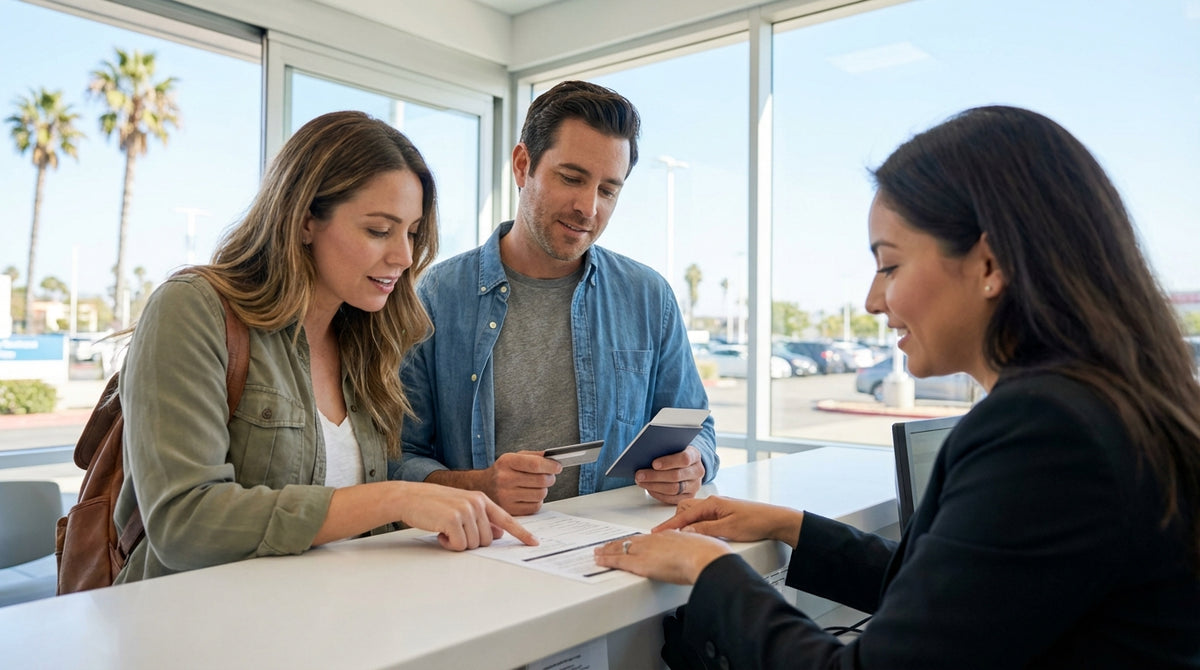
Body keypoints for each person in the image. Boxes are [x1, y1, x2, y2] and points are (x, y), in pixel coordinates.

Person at [595, 106, 1200, 668]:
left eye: (889, 264)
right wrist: (789, 525)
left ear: (990, 265)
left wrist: (712, 571)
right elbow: (954, 601)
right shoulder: (1098, 407)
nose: (872, 299)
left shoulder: (1047, 431)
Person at [114, 111, 535, 584]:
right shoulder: (192, 309)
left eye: (412, 233)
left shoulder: (368, 340)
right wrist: (394, 498)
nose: (403, 256)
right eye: (379, 230)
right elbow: (183, 523)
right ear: (304, 220)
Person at [393, 81, 718, 515]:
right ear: (523, 165)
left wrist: (693, 463)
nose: (588, 208)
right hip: (485, 558)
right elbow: (397, 458)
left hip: (616, 557)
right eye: (572, 178)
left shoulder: (648, 296)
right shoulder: (437, 296)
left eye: (608, 190)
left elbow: (699, 430)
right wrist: (481, 486)